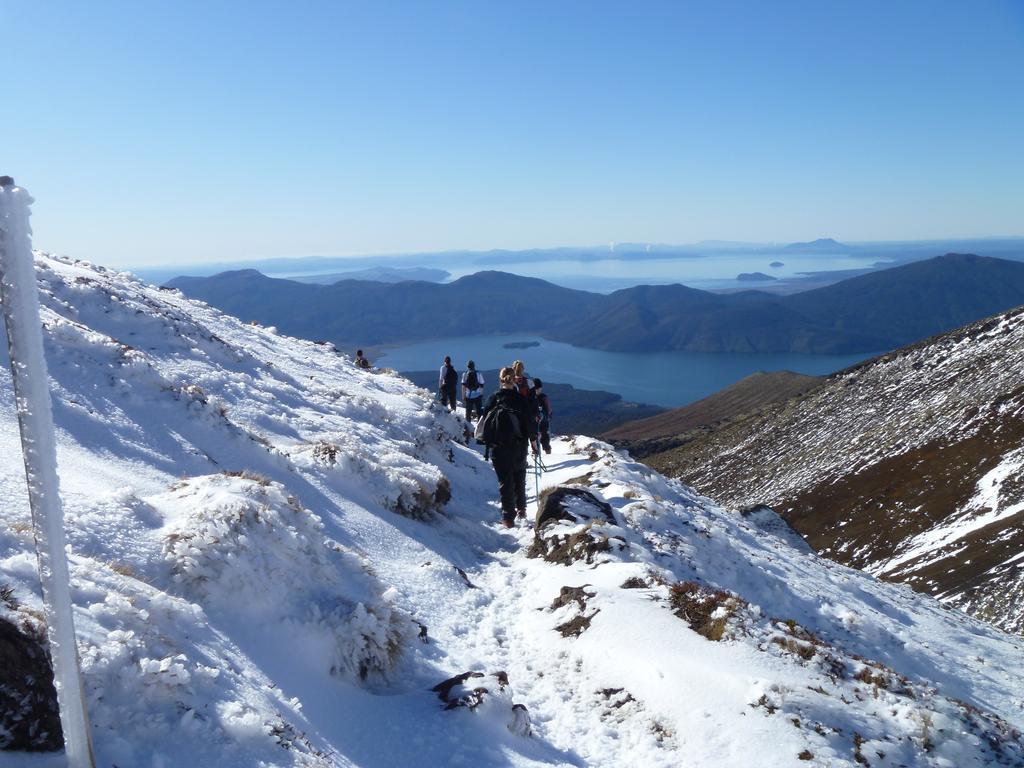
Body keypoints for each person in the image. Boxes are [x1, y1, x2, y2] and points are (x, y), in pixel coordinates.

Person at [480, 367, 535, 527]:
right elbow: (529, 422)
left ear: (501, 379)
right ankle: (522, 509)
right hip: (519, 445)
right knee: (519, 476)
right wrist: (533, 442)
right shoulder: (520, 399)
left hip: (499, 446)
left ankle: (508, 518)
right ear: (513, 380)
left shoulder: (493, 398)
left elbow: (485, 419)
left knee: (505, 480)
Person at [511, 360, 540, 453]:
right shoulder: (529, 382)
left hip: (514, 414)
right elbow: (534, 400)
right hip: (527, 413)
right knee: (531, 432)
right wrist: (536, 414)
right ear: (523, 369)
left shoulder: (510, 383)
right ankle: (534, 447)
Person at [532, 378, 553, 454]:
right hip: (541, 420)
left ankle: (545, 449)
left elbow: (549, 409)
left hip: (541, 421)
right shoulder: (543, 397)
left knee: (541, 435)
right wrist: (549, 415)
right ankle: (541, 449)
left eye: (538, 388)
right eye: (537, 388)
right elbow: (549, 409)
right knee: (543, 435)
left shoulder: (533, 397)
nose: (538, 390)